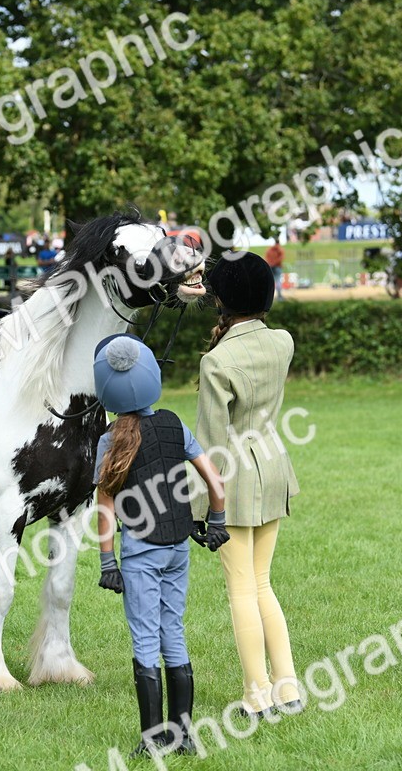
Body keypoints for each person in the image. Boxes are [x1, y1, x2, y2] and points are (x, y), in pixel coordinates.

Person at [94, 333, 229, 757]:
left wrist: (105, 561)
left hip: (140, 551)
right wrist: (218, 521)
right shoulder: (175, 423)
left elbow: (104, 509)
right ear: (152, 375)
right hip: (178, 546)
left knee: (145, 640)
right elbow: (215, 481)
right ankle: (184, 736)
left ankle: (153, 743)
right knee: (174, 631)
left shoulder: (110, 439)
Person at [195, 250, 302, 717]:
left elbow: (210, 446)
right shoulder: (283, 341)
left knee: (242, 588)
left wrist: (202, 508)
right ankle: (289, 688)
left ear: (222, 303)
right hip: (274, 466)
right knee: (262, 583)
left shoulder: (216, 362)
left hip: (234, 478)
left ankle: (256, 695)